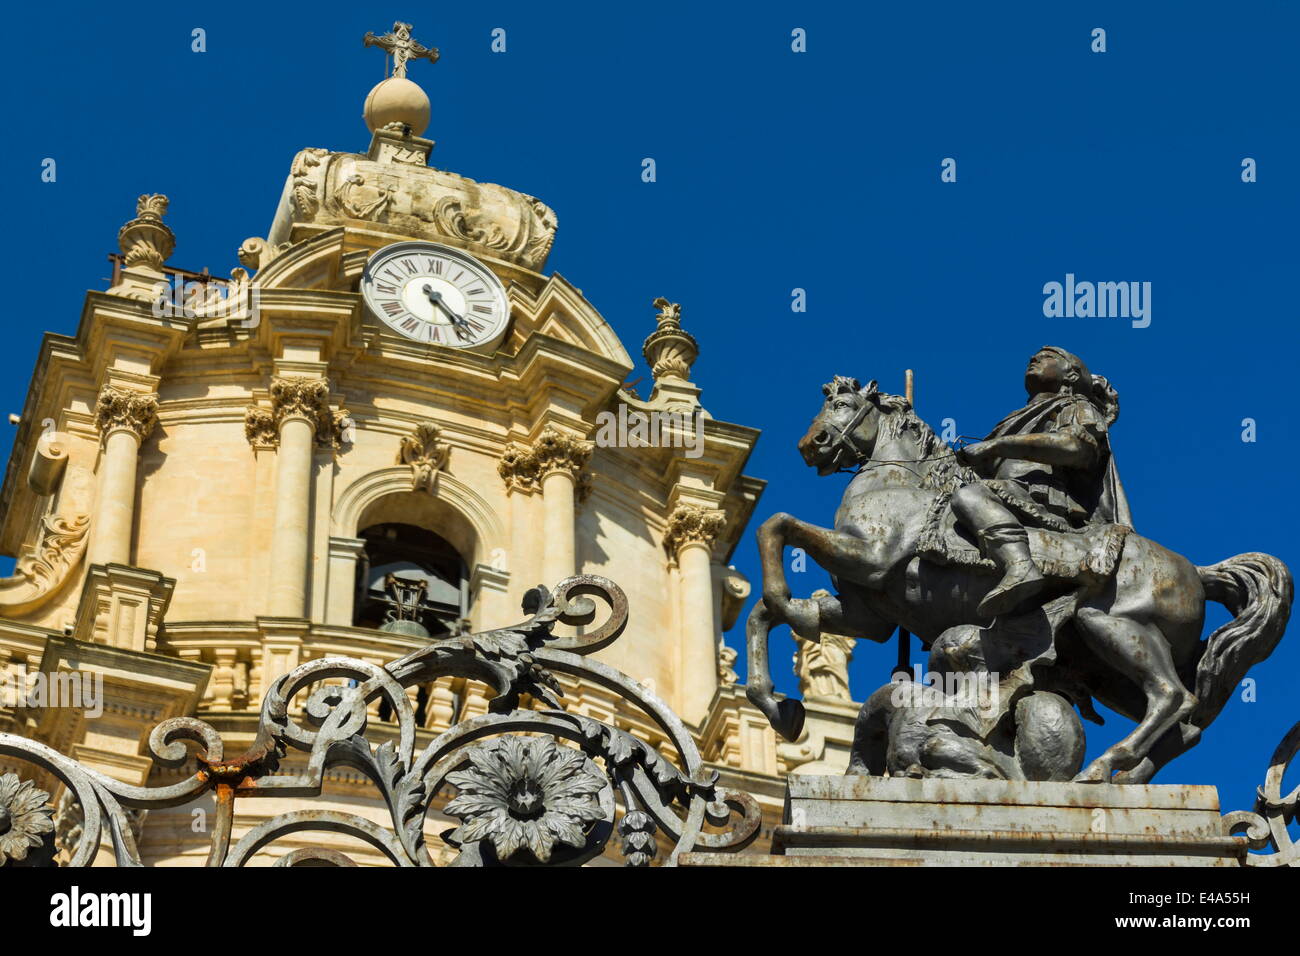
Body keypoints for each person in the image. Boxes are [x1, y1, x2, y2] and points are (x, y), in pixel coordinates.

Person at [952, 346, 1131, 619]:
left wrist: (996, 446)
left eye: (1047, 357)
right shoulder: (1014, 417)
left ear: (1070, 376)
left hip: (1039, 499)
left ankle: (1021, 564)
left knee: (969, 497)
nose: (1034, 359)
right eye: (1034, 356)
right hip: (1005, 494)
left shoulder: (1076, 407)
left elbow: (1075, 447)